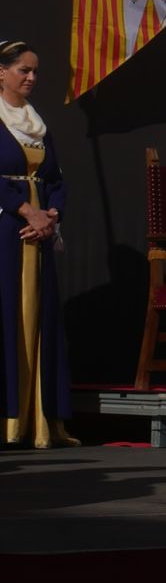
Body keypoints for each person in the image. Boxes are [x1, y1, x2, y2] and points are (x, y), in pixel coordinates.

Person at [0, 42, 74, 448]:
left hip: (38, 234)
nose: (31, 78)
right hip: (5, 230)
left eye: (35, 72)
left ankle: (37, 419)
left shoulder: (37, 123)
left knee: (37, 318)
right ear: (1, 72)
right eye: (24, 70)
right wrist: (26, 211)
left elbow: (57, 181)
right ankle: (7, 419)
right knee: (8, 314)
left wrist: (50, 216)